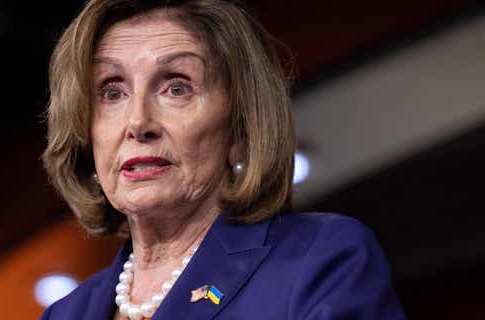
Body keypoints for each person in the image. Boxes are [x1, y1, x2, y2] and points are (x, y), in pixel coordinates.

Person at [40, 0, 405, 319]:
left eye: (177, 87)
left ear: (240, 125)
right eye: (111, 92)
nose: (138, 122)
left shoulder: (319, 262)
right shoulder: (65, 314)